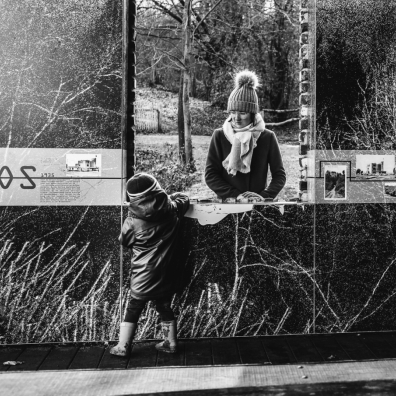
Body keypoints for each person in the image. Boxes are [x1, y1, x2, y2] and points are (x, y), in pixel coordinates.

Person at [110, 173, 190, 357]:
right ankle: (170, 343)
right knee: (164, 306)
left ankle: (123, 346)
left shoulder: (132, 221)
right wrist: (169, 198)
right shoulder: (173, 209)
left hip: (143, 274)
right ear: (157, 189)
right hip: (167, 272)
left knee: (134, 307)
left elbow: (125, 241)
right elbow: (184, 198)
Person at [205, 71, 286, 202]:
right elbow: (210, 175)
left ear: (253, 113)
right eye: (232, 112)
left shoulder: (267, 137)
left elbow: (279, 175)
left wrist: (264, 196)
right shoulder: (219, 136)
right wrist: (236, 195)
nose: (236, 118)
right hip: (228, 205)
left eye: (242, 113)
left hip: (257, 206)